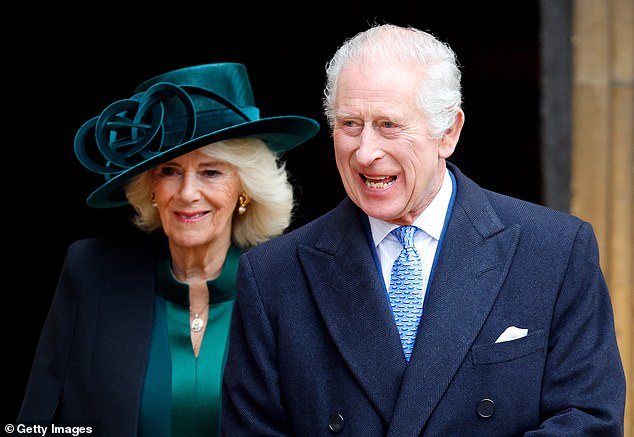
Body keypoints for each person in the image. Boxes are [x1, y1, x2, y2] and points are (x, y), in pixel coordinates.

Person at [221, 24, 626, 435]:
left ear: (448, 132)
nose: (365, 152)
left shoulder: (555, 251)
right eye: (349, 124)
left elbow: (587, 419)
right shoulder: (272, 276)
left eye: (388, 125)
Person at [16, 62, 319, 436]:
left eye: (211, 172)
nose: (187, 193)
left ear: (244, 189)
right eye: (170, 171)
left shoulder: (290, 287)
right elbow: (34, 425)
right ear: (151, 190)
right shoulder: (91, 272)